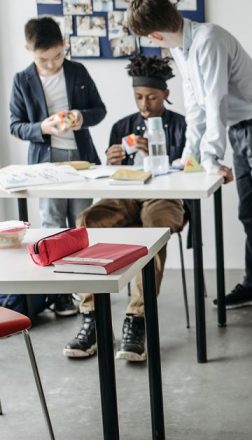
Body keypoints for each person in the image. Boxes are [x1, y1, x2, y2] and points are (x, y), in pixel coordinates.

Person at [127, 0, 252, 343]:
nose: (153, 43)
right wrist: (190, 155)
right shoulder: (181, 48)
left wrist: (210, 156)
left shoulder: (209, 40)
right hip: (240, 130)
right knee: (249, 214)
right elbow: (195, 106)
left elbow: (215, 100)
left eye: (149, 38)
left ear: (156, 32)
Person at [63, 55, 186, 360]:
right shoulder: (122, 126)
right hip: (125, 193)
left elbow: (191, 168)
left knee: (154, 231)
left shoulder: (182, 125)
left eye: (152, 97)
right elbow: (109, 176)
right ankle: (91, 316)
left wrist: (162, 155)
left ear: (166, 94)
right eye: (138, 97)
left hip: (165, 196)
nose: (144, 104)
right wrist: (113, 160)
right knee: (87, 221)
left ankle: (137, 318)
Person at [9, 17, 107, 317]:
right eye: (43, 59)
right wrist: (42, 127)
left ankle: (83, 290)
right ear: (30, 50)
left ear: (64, 46)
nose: (51, 65)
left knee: (81, 224)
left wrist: (80, 116)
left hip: (80, 160)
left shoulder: (78, 71)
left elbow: (99, 110)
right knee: (52, 226)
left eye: (57, 57)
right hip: (45, 164)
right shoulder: (22, 79)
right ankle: (60, 294)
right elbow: (16, 125)